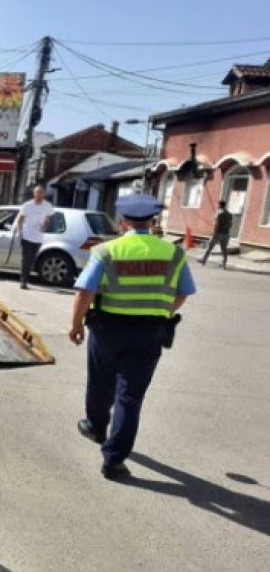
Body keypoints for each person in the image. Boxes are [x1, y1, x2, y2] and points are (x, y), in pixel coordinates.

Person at [70, 193, 197, 480]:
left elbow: (85, 292)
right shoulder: (173, 253)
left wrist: (76, 324)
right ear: (153, 221)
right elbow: (183, 294)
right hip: (149, 332)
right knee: (131, 397)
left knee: (101, 381)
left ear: (122, 221)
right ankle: (113, 461)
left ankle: (96, 426)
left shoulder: (106, 250)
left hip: (107, 330)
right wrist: (161, 311)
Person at [13, 184, 54, 289]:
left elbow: (50, 217)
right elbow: (20, 219)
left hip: (38, 237)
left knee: (31, 259)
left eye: (41, 193)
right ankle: (23, 281)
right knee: (26, 258)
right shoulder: (27, 205)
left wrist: (45, 225)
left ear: (44, 194)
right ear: (34, 193)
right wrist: (19, 230)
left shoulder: (47, 206)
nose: (39, 195)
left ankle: (26, 278)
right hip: (26, 235)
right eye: (37, 193)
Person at [199, 200, 233, 269]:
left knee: (210, 247)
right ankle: (224, 264)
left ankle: (203, 260)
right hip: (226, 234)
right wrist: (226, 229)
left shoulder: (219, 214)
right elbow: (231, 225)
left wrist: (214, 233)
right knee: (224, 249)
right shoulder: (229, 214)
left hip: (218, 233)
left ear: (220, 205)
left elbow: (217, 225)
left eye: (218, 205)